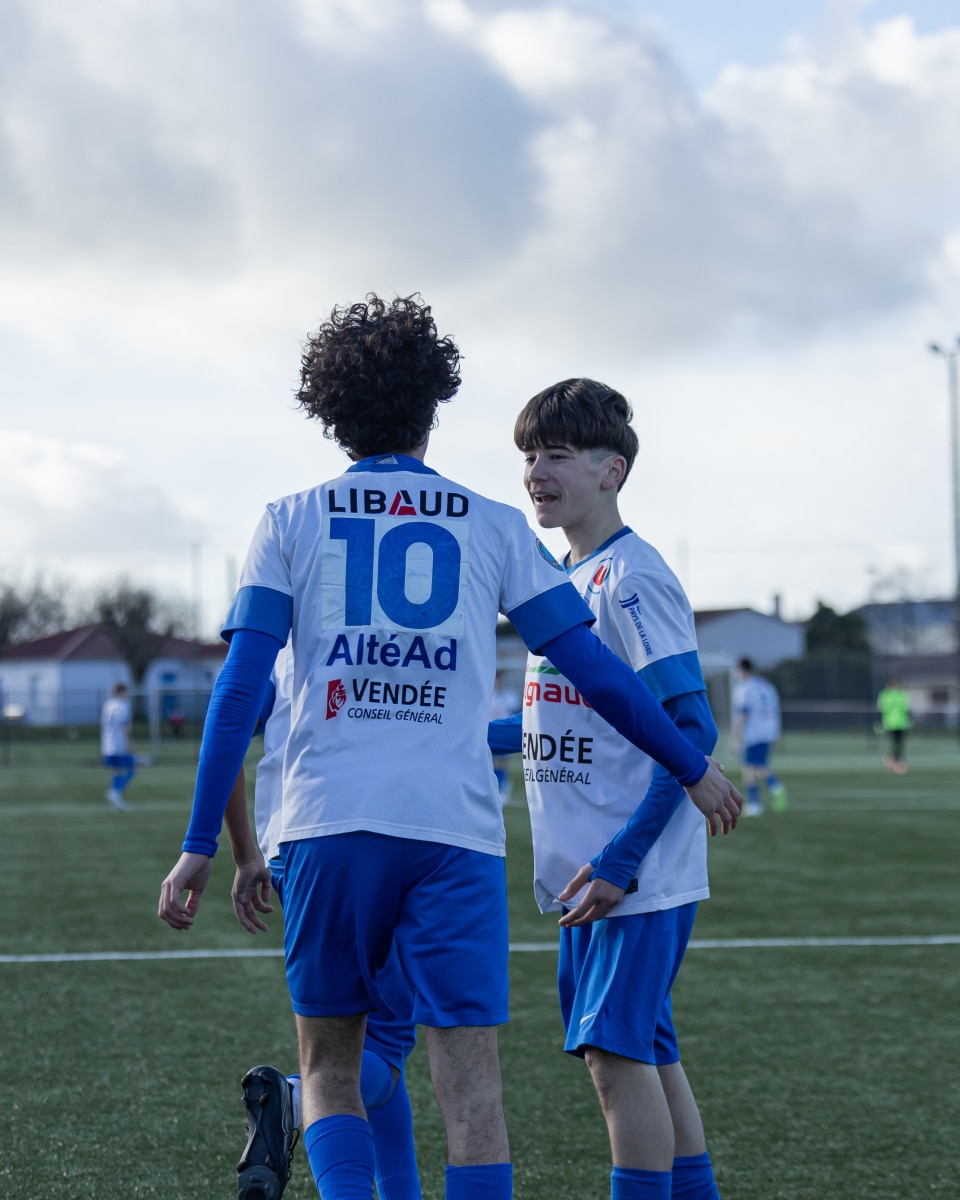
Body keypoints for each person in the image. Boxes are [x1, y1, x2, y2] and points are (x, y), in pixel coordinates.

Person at [158, 294, 740, 1200]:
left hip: (324, 822)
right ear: (433, 407)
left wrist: (204, 840)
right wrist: (692, 762)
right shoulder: (492, 523)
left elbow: (239, 693)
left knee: (331, 1067)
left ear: (330, 413)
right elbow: (596, 673)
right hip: (452, 833)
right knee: (471, 1090)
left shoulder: (289, 518)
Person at [496, 377, 726, 1200]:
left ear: (611, 470)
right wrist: (448, 737)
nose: (536, 471)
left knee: (614, 1059)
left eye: (557, 454)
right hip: (589, 868)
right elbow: (559, 718)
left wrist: (625, 859)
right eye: (529, 455)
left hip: (630, 871)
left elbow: (690, 729)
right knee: (647, 1053)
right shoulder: (562, 579)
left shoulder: (630, 578)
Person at [223, 642, 422, 1200]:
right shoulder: (387, 635)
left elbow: (227, 731)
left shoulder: (277, 646)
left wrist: (244, 854)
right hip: (386, 834)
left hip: (294, 850)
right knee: (374, 1056)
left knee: (364, 1041)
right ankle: (291, 1097)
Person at [729, 657, 787, 816]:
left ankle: (756, 803)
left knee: (749, 767)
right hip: (769, 730)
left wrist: (735, 739)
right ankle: (776, 788)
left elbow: (743, 715)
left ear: (742, 670)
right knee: (758, 766)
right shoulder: (767, 686)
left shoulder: (743, 689)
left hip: (753, 731)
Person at [101, 681, 135, 811]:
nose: (128, 694)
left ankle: (116, 802)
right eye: (126, 692)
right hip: (119, 744)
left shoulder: (108, 705)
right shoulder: (123, 706)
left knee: (116, 770)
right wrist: (129, 744)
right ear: (121, 692)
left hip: (107, 743)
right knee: (131, 769)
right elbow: (124, 726)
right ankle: (115, 792)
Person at [489, 671, 521, 802]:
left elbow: (515, 710)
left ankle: (503, 784)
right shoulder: (487, 695)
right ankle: (493, 787)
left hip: (503, 732)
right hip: (490, 730)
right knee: (489, 762)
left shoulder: (509, 696)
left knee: (502, 762)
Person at [877, 677, 911, 774]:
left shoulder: (901, 694)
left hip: (901, 723)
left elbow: (906, 707)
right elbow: (882, 708)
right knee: (895, 743)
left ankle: (892, 761)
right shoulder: (885, 695)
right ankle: (893, 761)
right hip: (890, 723)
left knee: (900, 743)